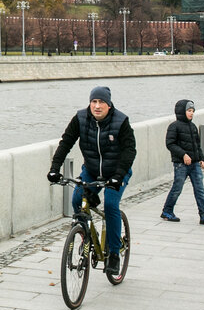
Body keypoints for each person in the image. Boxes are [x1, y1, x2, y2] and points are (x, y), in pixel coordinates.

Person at [47, 86, 137, 275]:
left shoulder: (121, 121)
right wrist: (54, 169)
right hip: (92, 171)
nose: (97, 106)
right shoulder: (80, 118)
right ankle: (85, 237)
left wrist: (118, 177)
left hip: (116, 172)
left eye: (101, 102)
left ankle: (113, 254)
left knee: (111, 205)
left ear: (109, 105)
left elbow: (129, 151)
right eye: (94, 102)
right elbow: (66, 142)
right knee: (76, 200)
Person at [160, 99, 204, 225]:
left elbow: (197, 145)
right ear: (182, 111)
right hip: (181, 164)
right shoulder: (174, 126)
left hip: (194, 164)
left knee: (200, 189)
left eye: (193, 111)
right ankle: (167, 211)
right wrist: (183, 155)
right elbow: (170, 144)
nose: (191, 113)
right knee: (177, 188)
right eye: (189, 111)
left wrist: (201, 159)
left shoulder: (192, 127)